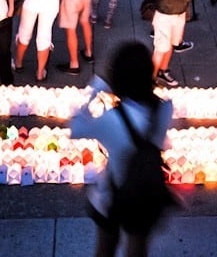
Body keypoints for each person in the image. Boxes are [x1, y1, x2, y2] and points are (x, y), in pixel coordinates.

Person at [68, 41, 174, 257]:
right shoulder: (164, 108)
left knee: (105, 248)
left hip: (111, 195)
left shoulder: (111, 119)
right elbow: (161, 142)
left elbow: (75, 128)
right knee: (138, 246)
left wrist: (96, 90)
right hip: (145, 192)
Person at [150, 0, 198, 88]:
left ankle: (163, 71)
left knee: (172, 43)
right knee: (160, 48)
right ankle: (151, 78)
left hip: (180, 12)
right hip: (165, 13)